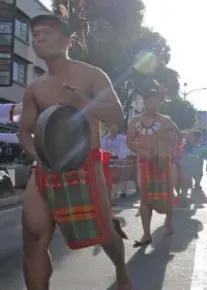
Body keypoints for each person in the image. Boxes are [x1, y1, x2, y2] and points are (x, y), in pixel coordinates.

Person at [18, 14, 131, 289]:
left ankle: (121, 271)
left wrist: (81, 101)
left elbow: (116, 115)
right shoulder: (35, 87)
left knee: (103, 233)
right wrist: (39, 157)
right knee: (33, 237)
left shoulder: (91, 74)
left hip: (85, 164)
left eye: (45, 32)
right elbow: (25, 131)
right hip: (46, 167)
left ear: (67, 40)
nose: (39, 38)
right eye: (35, 35)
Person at [126, 80, 178, 247]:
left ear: (160, 103)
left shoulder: (166, 121)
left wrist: (162, 152)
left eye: (156, 102)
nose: (153, 104)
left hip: (162, 164)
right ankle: (146, 233)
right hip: (144, 164)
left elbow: (173, 142)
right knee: (145, 199)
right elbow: (130, 142)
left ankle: (169, 222)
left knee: (167, 196)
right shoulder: (135, 121)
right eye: (150, 101)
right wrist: (143, 152)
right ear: (146, 102)